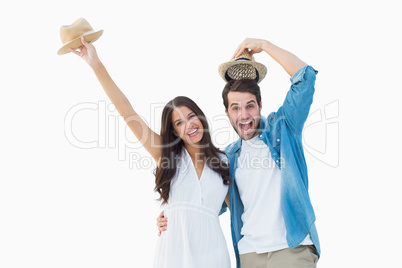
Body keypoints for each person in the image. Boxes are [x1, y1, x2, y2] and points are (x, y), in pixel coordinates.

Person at [157, 38, 321, 268]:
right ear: (226, 112)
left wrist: (264, 45)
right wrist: (170, 216)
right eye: (235, 108)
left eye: (250, 106)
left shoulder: (283, 129)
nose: (243, 115)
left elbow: (305, 77)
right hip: (248, 256)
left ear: (260, 105)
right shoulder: (228, 158)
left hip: (291, 250)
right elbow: (207, 201)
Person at [69, 37, 231, 268]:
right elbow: (127, 112)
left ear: (200, 117)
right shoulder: (168, 156)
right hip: (175, 254)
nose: (189, 125)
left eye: (191, 116)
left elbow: (242, 211)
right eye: (179, 123)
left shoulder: (224, 161)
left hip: (213, 255)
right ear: (174, 131)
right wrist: (95, 63)